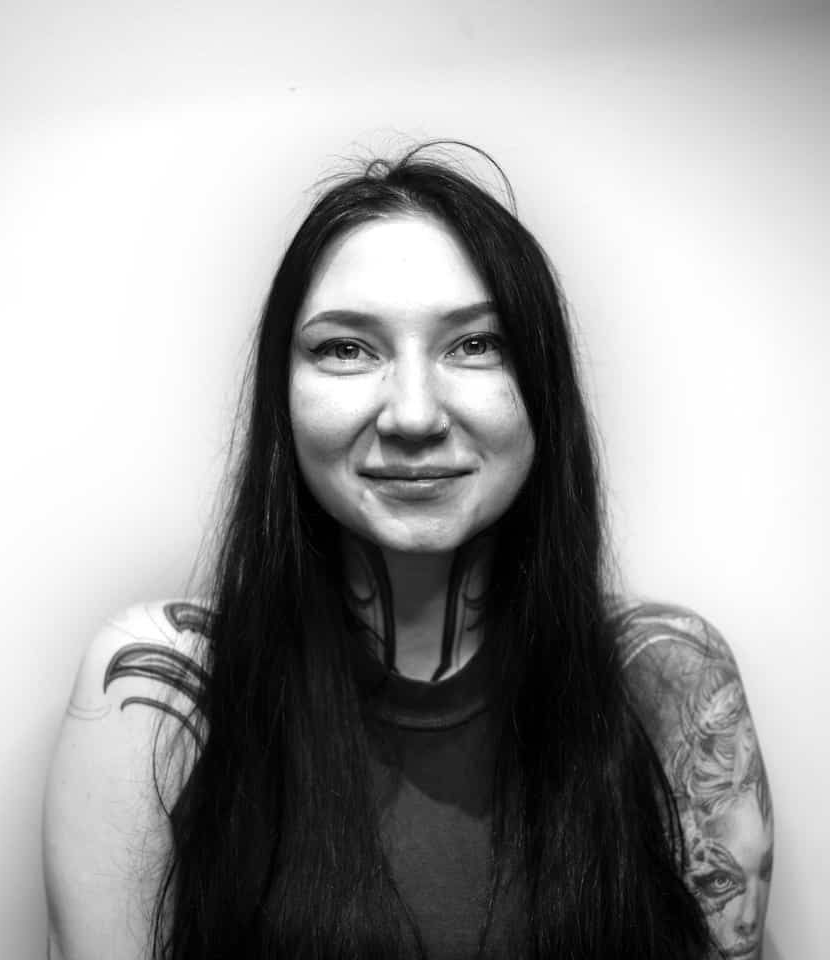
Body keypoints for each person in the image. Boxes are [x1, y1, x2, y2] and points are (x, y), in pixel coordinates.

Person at [42, 143, 773, 959]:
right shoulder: (157, 692)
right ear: (283, 396)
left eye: (476, 344)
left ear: (545, 387)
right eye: (346, 348)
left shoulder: (670, 676)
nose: (414, 415)